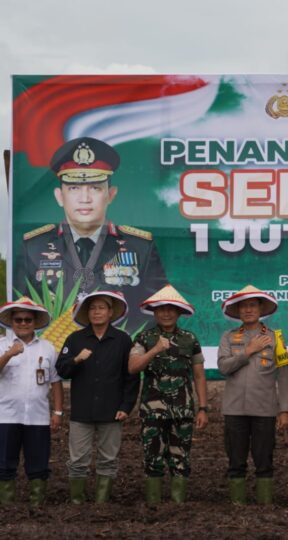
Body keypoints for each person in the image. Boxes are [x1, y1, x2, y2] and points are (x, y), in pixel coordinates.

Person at [18, 136, 167, 334]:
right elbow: (21, 308)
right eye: (74, 188)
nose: (85, 198)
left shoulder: (139, 245)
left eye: (95, 188)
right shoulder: (35, 245)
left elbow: (155, 308)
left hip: (118, 352)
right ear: (59, 196)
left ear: (111, 194)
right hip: (55, 355)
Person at [55, 291, 140, 504]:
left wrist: (126, 406)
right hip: (82, 411)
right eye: (92, 308)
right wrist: (76, 360)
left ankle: (101, 503)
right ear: (86, 313)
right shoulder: (75, 339)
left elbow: (131, 376)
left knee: (108, 459)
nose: (97, 312)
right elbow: (62, 369)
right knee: (77, 460)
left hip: (112, 410)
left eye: (102, 308)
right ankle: (77, 501)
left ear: (110, 312)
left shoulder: (122, 340)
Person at [129, 284, 209, 505]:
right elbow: (133, 367)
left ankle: (178, 506)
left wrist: (203, 408)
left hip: (183, 410)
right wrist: (154, 350)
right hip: (152, 412)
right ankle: (153, 504)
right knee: (152, 458)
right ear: (155, 312)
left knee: (180, 459)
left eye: (171, 309)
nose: (166, 313)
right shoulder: (144, 338)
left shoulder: (189, 339)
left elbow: (199, 376)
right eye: (162, 309)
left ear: (179, 312)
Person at [217, 285, 288, 505]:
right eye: (244, 307)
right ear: (238, 312)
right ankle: (237, 503)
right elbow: (223, 367)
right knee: (235, 460)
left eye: (252, 305)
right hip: (234, 409)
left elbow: (284, 375)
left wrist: (285, 409)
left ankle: (264, 504)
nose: (248, 310)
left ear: (261, 309)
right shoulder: (229, 337)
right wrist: (248, 351)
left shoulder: (274, 338)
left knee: (264, 459)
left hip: (264, 409)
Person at [0, 298, 63, 506]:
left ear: (35, 322)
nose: (23, 323)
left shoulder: (47, 348)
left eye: (28, 319)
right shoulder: (2, 345)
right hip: (6, 415)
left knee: (38, 463)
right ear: (11, 322)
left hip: (38, 416)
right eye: (18, 319)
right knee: (4, 463)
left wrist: (58, 412)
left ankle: (37, 505)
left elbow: (55, 382)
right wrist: (9, 354)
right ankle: (7, 506)